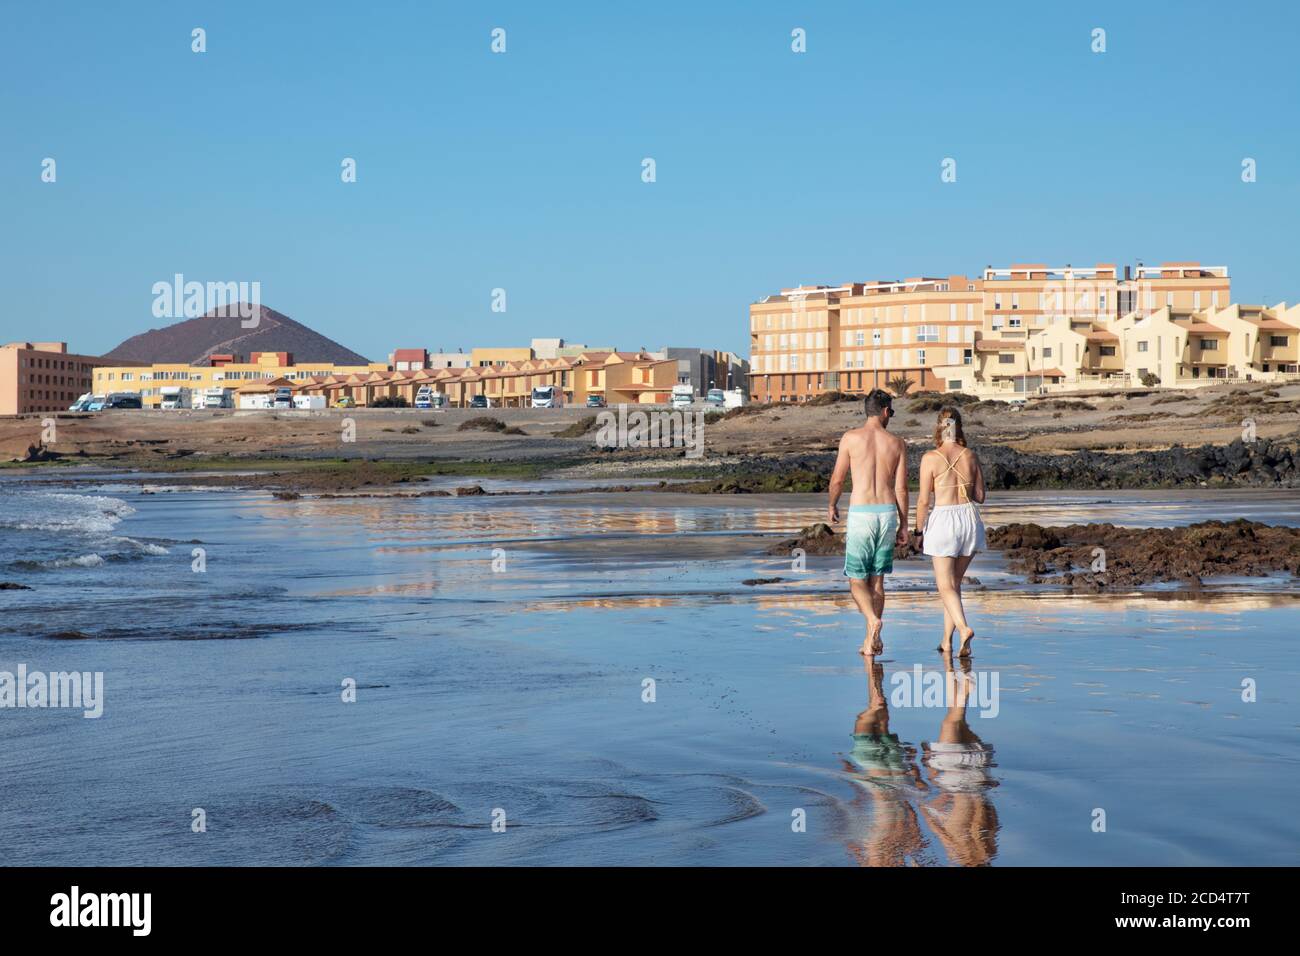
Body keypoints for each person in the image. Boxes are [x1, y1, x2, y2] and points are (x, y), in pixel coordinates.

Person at [827, 388, 909, 656]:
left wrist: (832, 504)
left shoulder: (851, 438)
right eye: (891, 413)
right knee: (877, 582)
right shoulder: (897, 443)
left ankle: (872, 622)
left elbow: (838, 478)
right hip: (886, 511)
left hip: (862, 511)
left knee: (855, 579)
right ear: (885, 411)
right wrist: (904, 524)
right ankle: (870, 640)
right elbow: (901, 489)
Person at [914, 406, 986, 657]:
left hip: (944, 518)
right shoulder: (970, 455)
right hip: (968, 519)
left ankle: (964, 628)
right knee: (953, 585)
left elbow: (924, 500)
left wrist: (917, 530)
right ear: (959, 426)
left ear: (938, 427)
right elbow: (980, 496)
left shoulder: (930, 458)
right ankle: (946, 640)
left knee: (944, 585)